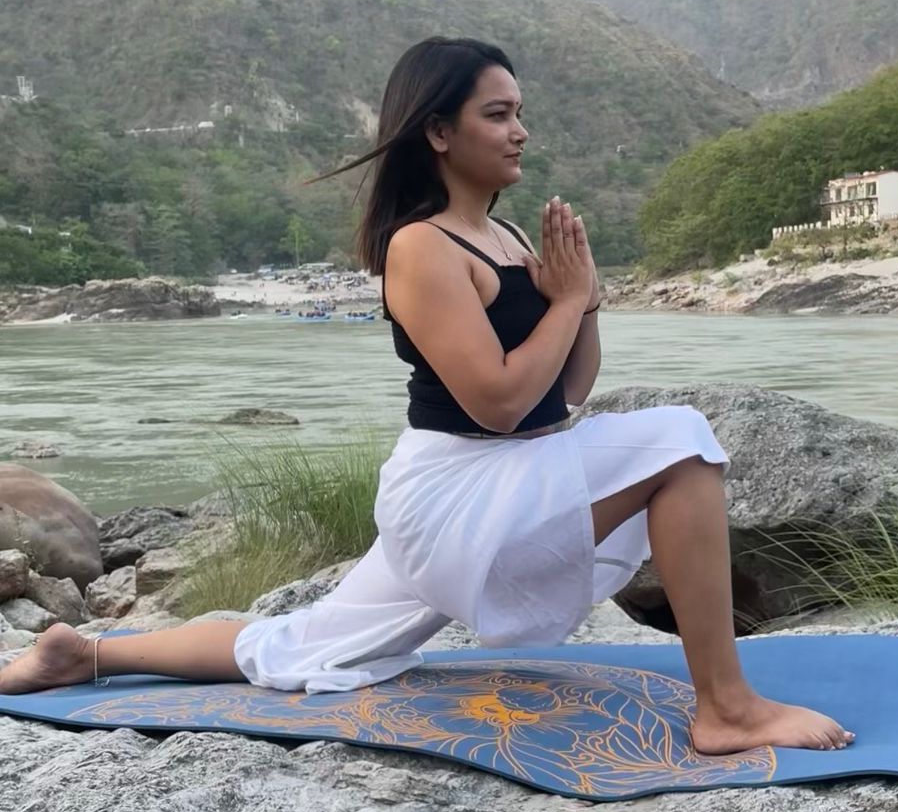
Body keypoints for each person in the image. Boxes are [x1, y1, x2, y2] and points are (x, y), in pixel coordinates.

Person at [1, 38, 853, 754]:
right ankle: (727, 709)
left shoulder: (508, 234)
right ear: (439, 132)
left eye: (519, 112)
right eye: (498, 114)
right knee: (684, 441)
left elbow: (565, 392)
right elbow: (497, 406)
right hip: (456, 491)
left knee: (308, 642)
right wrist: (560, 303)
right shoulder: (422, 247)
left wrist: (582, 299)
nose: (520, 131)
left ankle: (87, 653)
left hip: (499, 478)